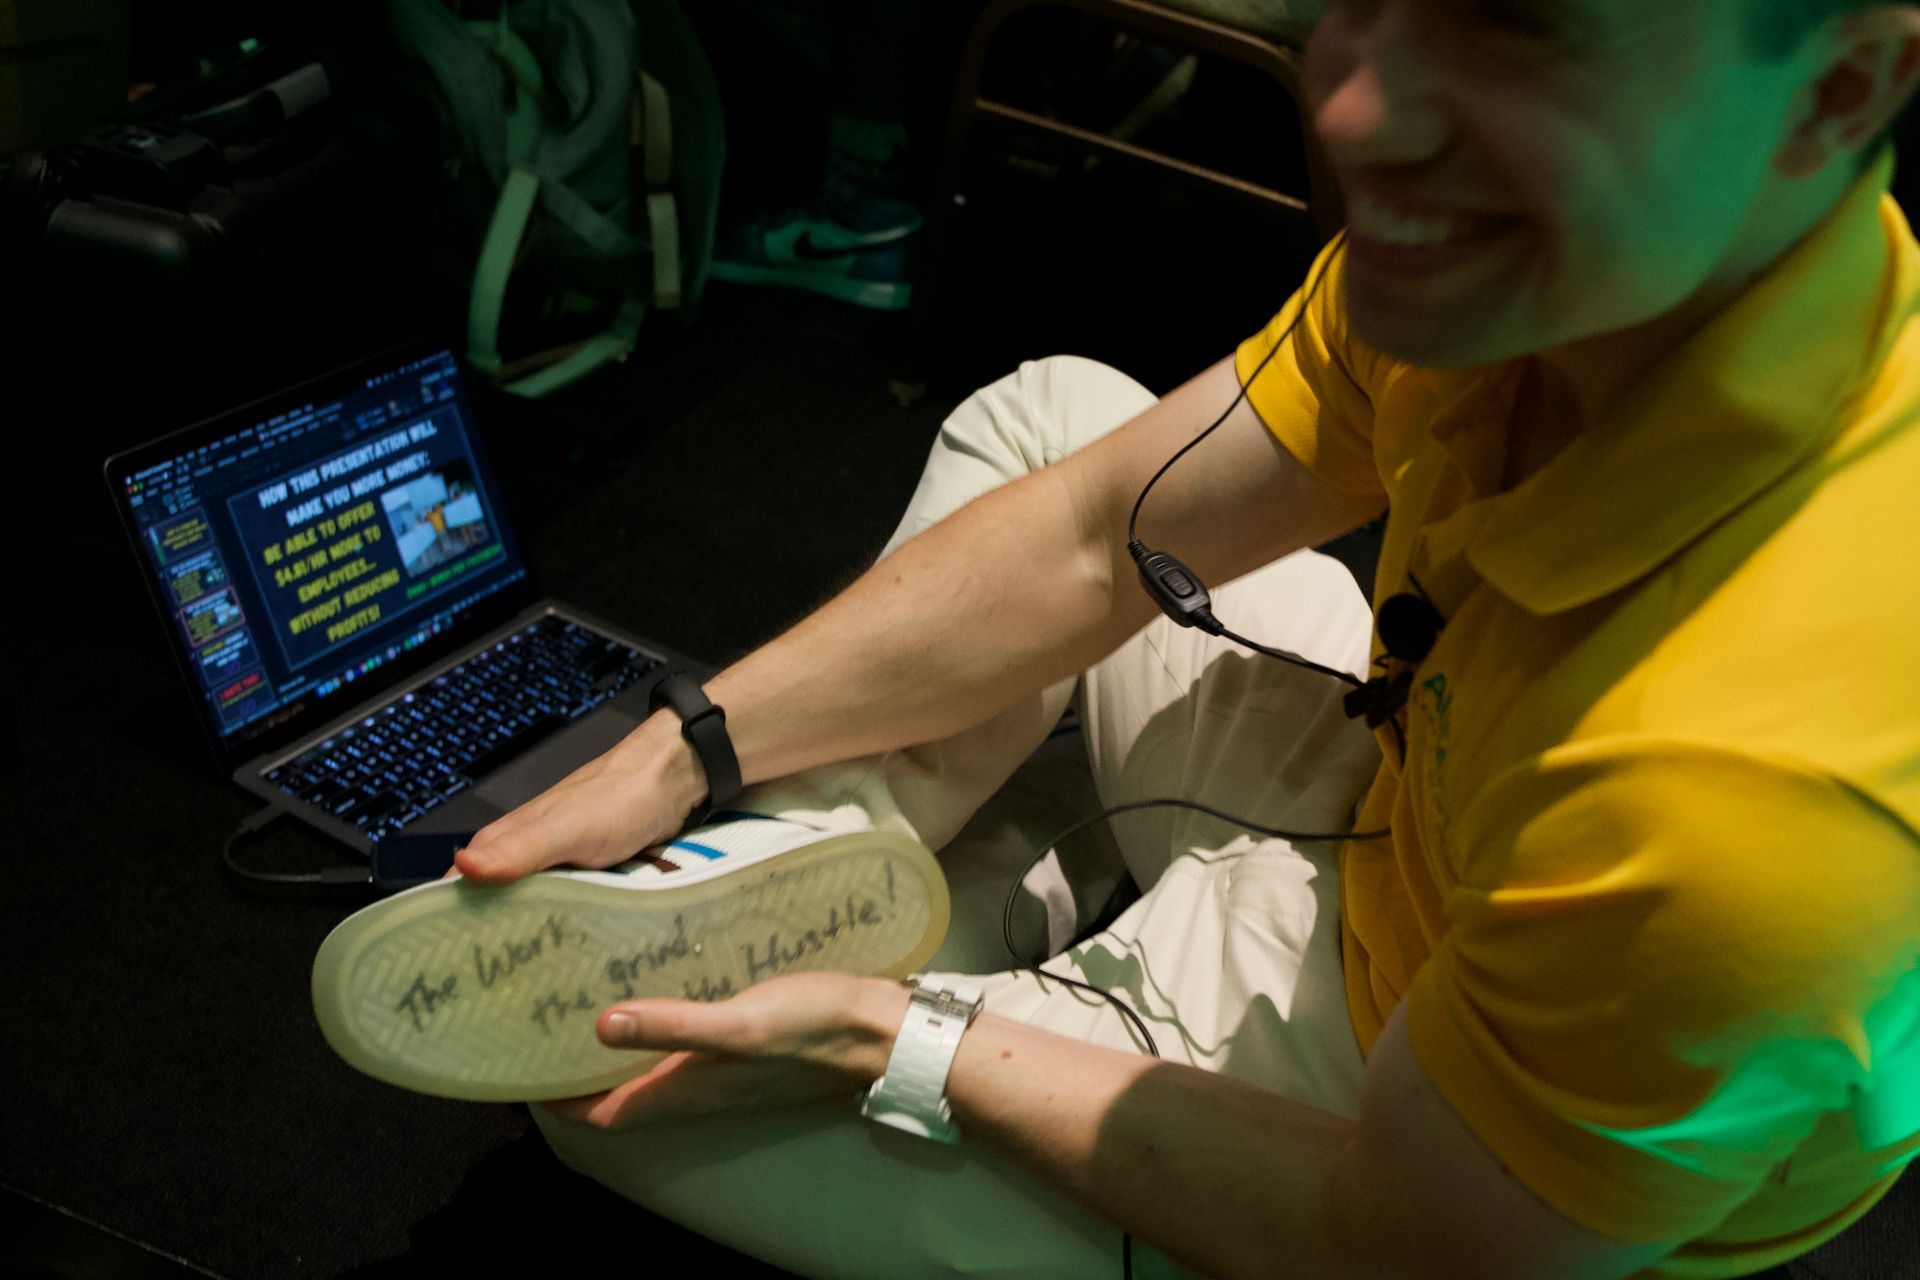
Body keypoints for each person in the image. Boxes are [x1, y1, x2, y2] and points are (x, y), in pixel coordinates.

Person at [438, 2, 1920, 1277]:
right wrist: (689, 747)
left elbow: (1389, 1242)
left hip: (1399, 1140)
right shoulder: (1571, 269)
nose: (1352, 104)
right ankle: (874, 898)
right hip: (1417, 795)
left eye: (1520, 28)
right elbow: (1100, 533)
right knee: (1058, 414)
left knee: (595, 1114)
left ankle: (920, 955)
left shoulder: (1752, 804)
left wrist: (903, 1045)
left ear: (1841, 89)